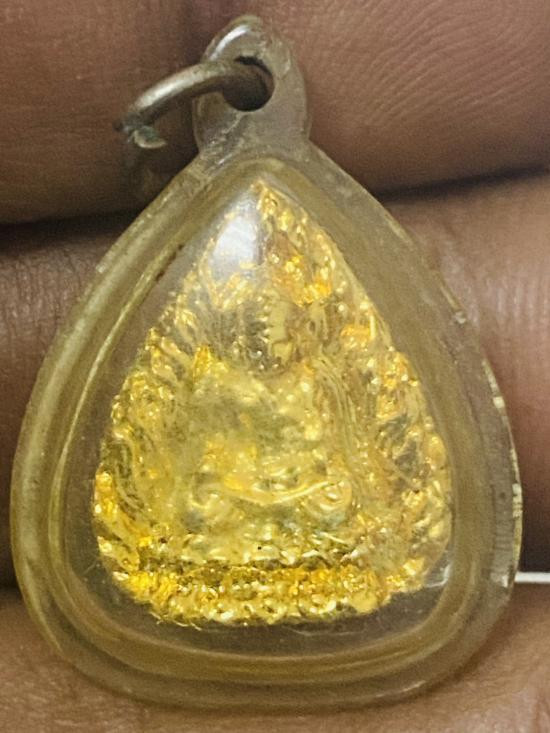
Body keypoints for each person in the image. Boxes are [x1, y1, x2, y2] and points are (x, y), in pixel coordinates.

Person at [0, 1, 549, 729]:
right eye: (254, 322)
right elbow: (189, 476)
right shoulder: (207, 376)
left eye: (279, 322)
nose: (267, 330)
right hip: (206, 544)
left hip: (332, 535)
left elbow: (356, 469)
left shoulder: (321, 376)